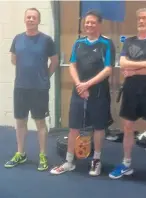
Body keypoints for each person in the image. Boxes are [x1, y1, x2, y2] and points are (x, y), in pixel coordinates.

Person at [108, 8, 146, 188]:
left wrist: (132, 70)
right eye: (139, 18)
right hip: (130, 91)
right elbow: (122, 64)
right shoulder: (129, 41)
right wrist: (144, 64)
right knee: (127, 128)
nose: (141, 21)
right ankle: (126, 163)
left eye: (145, 18)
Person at [50, 10, 115, 176]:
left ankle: (96, 160)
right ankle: (68, 161)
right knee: (74, 127)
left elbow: (108, 69)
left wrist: (87, 85)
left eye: (93, 22)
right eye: (87, 22)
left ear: (99, 24)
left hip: (99, 93)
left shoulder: (107, 44)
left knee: (99, 128)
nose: (89, 25)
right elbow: (72, 64)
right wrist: (80, 84)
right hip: (78, 91)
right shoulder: (78, 43)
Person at [4, 8, 58, 171]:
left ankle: (43, 155)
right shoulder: (18, 39)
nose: (30, 19)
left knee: (40, 122)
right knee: (20, 122)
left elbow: (54, 62)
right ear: (24, 19)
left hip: (39, 89)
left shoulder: (46, 40)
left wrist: (43, 77)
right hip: (21, 87)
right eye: (28, 17)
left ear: (38, 20)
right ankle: (20, 153)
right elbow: (14, 59)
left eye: (34, 17)